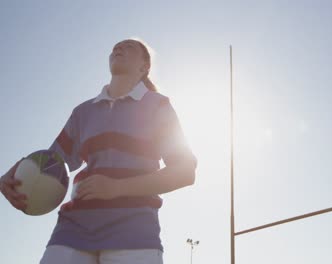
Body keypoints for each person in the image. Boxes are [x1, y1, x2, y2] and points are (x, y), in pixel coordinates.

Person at [0, 38, 197, 264]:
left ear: (144, 67)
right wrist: (16, 174)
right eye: (115, 47)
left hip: (134, 229)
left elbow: (185, 171)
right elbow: (50, 163)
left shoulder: (158, 105)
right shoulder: (83, 112)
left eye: (128, 46)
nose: (118, 48)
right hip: (72, 230)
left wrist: (117, 187)